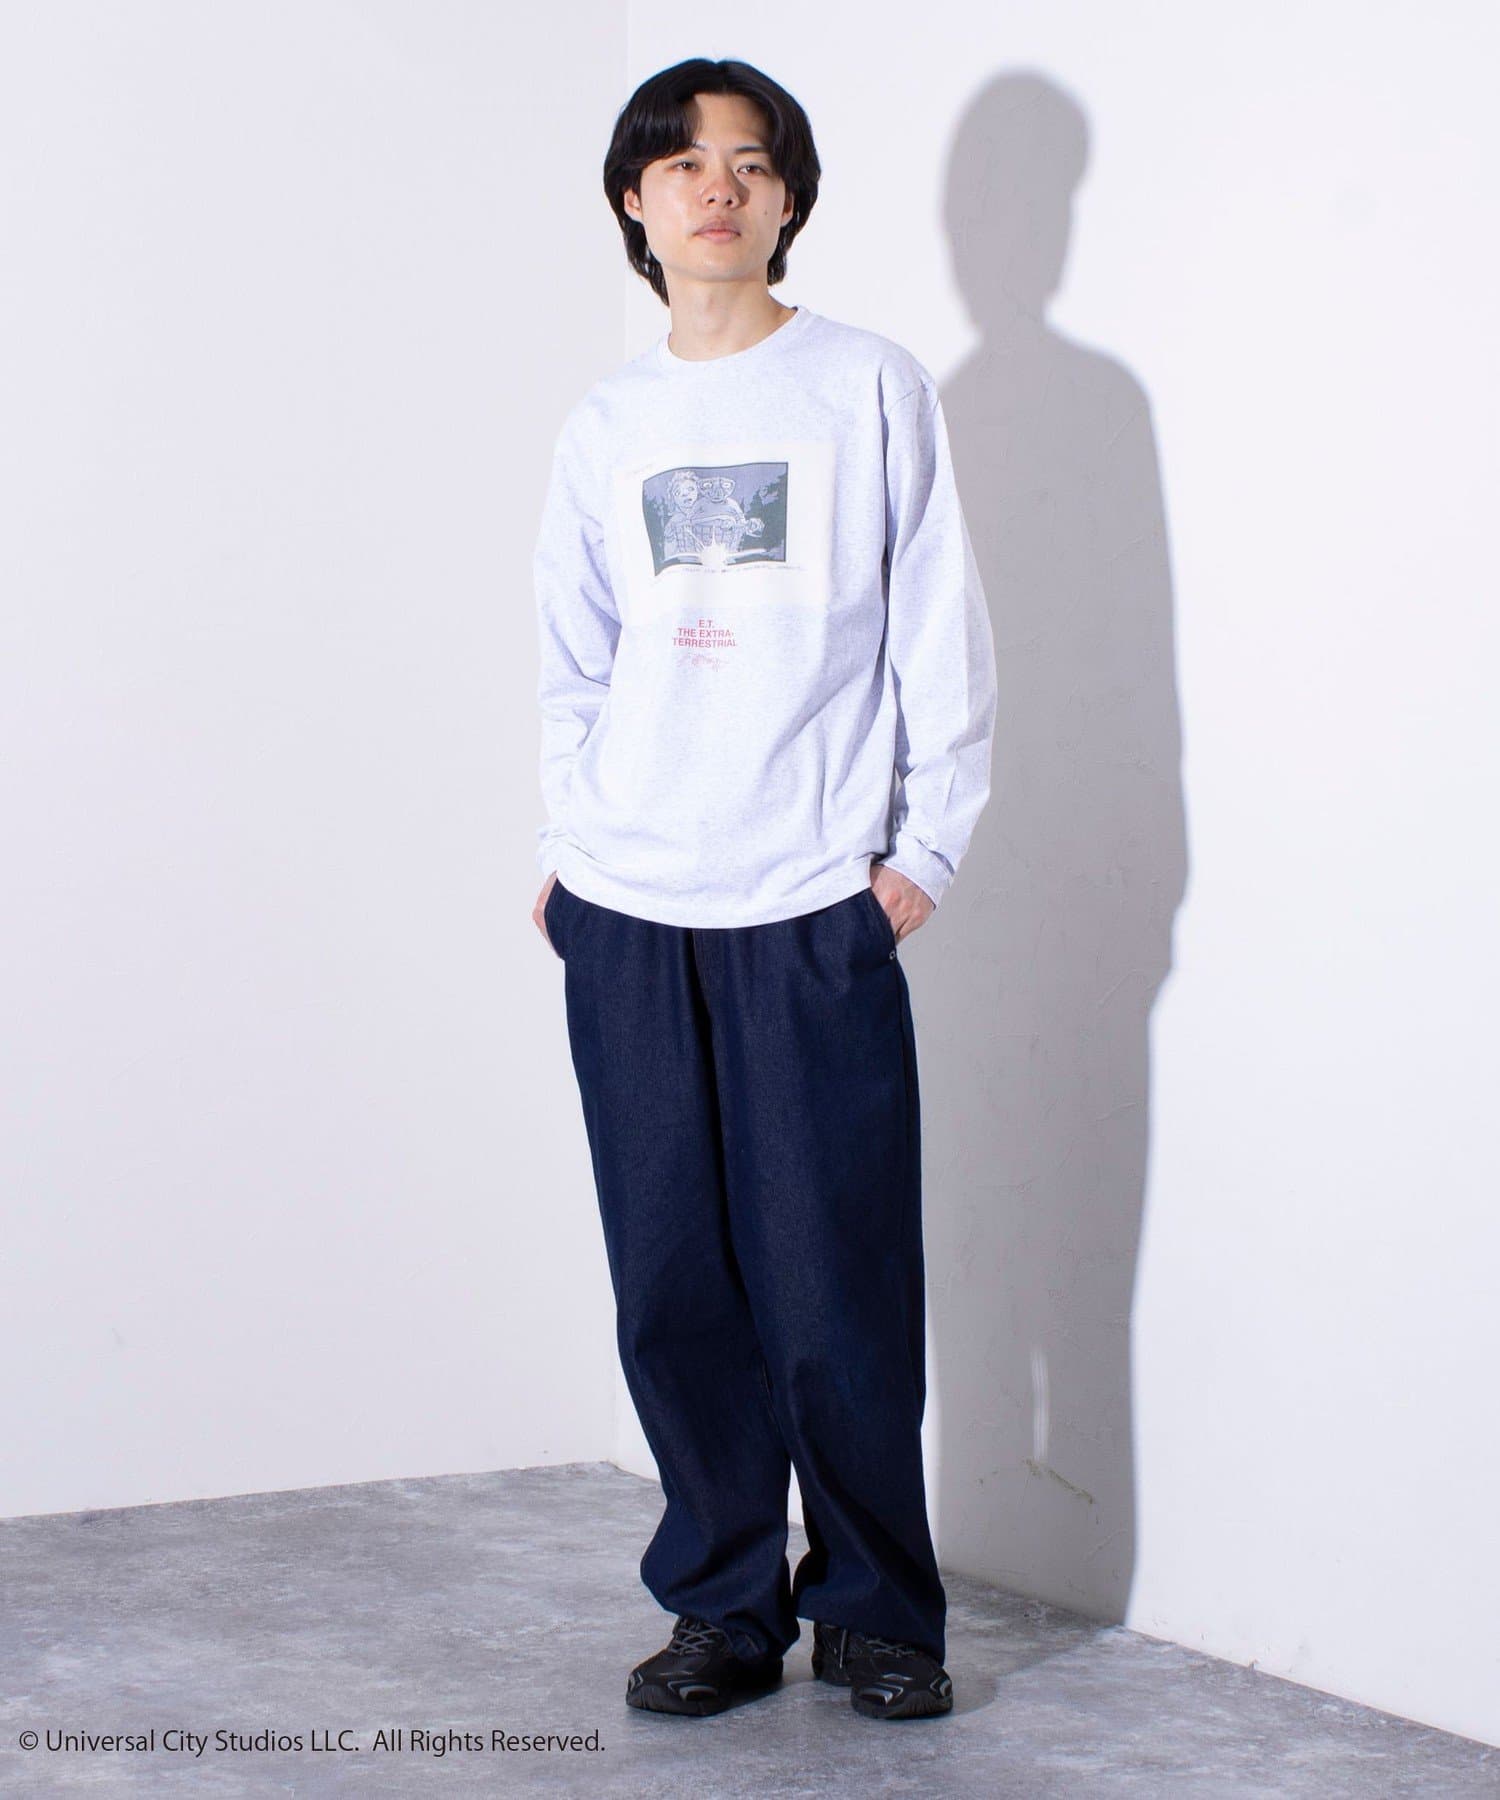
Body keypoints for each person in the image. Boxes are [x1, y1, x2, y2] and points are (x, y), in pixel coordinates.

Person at [531, 56, 997, 1723]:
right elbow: (571, 661)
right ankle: (723, 1603)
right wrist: (572, 854)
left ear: (788, 196)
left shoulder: (865, 386)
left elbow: (937, 624)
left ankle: (875, 1611)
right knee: (672, 1282)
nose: (715, 188)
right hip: (630, 908)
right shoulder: (607, 425)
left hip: (809, 900)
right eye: (682, 164)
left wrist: (923, 852)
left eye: (747, 162)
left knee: (836, 1279)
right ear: (636, 204)